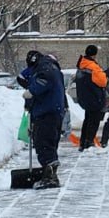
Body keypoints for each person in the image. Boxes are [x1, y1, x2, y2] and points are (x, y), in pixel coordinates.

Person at [17, 50, 65, 188]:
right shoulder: (51, 66)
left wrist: (32, 91)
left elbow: (43, 81)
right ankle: (49, 174)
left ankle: (50, 177)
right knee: (49, 143)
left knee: (43, 143)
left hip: (46, 112)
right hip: (53, 111)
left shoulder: (45, 68)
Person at [74, 44, 109, 150]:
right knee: (94, 120)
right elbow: (103, 82)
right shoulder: (93, 67)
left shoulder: (81, 65)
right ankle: (89, 142)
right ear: (94, 55)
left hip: (84, 97)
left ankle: (83, 142)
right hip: (94, 97)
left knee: (88, 119)